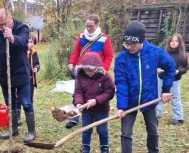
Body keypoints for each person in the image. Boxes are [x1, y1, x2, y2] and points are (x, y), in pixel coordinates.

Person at [114, 21, 175, 153]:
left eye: (132, 44)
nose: (129, 47)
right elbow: (121, 83)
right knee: (125, 133)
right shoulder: (121, 59)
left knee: (153, 131)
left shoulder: (155, 53)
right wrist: (121, 107)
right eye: (126, 43)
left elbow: (170, 67)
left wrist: (166, 90)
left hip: (149, 99)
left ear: (141, 40)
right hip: (129, 102)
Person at [0, 8, 35, 143]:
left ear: (11, 19)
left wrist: (12, 37)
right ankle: (13, 129)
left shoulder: (22, 27)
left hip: (21, 72)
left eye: (4, 24)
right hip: (5, 74)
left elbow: (23, 42)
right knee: (10, 102)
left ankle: (31, 131)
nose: (2, 27)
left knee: (25, 102)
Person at [67, 14, 113, 129]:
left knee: (96, 95)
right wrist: (72, 62)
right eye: (87, 26)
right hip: (82, 71)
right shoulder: (81, 36)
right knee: (77, 94)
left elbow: (108, 56)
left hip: (96, 73)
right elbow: (77, 50)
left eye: (91, 26)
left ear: (97, 25)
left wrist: (103, 71)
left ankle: (96, 117)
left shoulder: (104, 38)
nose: (88, 28)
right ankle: (74, 118)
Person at [75, 52, 115, 153]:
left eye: (90, 71)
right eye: (86, 70)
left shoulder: (105, 76)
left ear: (97, 68)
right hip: (86, 110)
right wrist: (79, 103)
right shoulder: (81, 76)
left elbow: (110, 92)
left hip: (101, 110)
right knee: (86, 130)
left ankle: (104, 148)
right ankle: (85, 148)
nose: (88, 72)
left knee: (102, 130)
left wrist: (96, 101)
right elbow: (78, 91)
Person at [156, 33, 188, 125]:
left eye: (176, 41)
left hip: (174, 81)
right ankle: (156, 113)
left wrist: (178, 71)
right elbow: (158, 63)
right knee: (158, 97)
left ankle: (178, 118)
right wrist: (157, 69)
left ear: (180, 43)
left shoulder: (182, 55)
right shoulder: (164, 53)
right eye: (172, 41)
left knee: (175, 98)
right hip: (162, 78)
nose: (173, 43)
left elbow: (184, 67)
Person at [17, 34, 40, 125]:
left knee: (30, 99)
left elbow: (37, 63)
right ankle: (17, 116)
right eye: (29, 42)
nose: (31, 44)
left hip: (30, 80)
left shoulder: (34, 52)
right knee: (19, 98)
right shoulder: (20, 52)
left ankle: (29, 116)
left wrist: (36, 68)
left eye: (32, 42)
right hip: (21, 80)